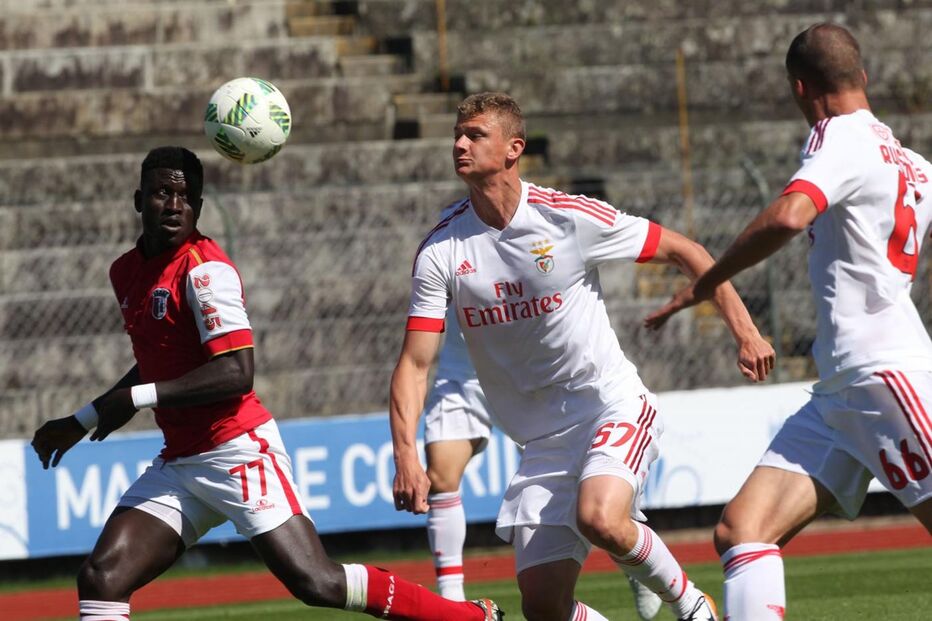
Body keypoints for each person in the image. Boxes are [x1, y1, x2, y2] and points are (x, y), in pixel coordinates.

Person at [30, 146, 503, 621]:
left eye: (186, 196)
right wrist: (82, 419)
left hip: (238, 450)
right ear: (139, 200)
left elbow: (237, 372)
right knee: (102, 577)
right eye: (161, 193)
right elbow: (157, 362)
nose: (174, 205)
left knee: (317, 581)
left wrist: (133, 399)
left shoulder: (206, 270)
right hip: (181, 463)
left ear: (198, 206)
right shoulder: (126, 272)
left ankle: (470, 618)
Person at [390, 93, 775, 621]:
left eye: (475, 134)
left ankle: (692, 607)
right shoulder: (441, 250)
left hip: (611, 406)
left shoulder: (566, 218)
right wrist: (407, 455)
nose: (459, 143)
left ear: (512, 149)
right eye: (457, 134)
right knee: (543, 608)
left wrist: (746, 332)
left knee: (600, 516)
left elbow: (686, 251)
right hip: (541, 442)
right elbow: (415, 364)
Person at [645, 23, 932, 620]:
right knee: (742, 530)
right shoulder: (915, 163)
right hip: (842, 389)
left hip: (881, 373)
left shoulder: (839, 137)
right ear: (865, 79)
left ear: (800, 89)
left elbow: (790, 213)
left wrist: (707, 281)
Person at [424, 306, 662, 620]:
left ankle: (627, 548)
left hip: (525, 369)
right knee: (440, 475)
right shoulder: (434, 254)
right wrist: (402, 449)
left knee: (586, 495)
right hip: (463, 373)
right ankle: (451, 603)